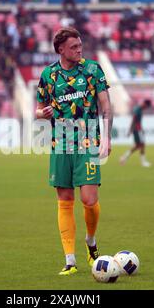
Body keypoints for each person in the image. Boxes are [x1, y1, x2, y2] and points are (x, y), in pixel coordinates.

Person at [35, 27, 112, 275]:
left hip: (89, 139)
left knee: (89, 200)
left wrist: (107, 137)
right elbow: (39, 108)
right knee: (64, 200)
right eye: (74, 47)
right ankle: (70, 260)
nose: (79, 50)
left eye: (80, 46)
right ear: (61, 50)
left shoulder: (92, 70)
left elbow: (106, 107)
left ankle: (91, 242)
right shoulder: (48, 75)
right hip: (61, 141)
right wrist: (42, 113)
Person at [119, 99, 152, 167]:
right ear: (145, 104)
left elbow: (137, 121)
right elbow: (134, 120)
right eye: (147, 107)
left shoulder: (139, 109)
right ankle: (143, 162)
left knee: (138, 146)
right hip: (137, 130)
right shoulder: (138, 109)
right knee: (142, 145)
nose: (146, 108)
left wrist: (141, 129)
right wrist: (130, 130)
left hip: (138, 129)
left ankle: (124, 157)